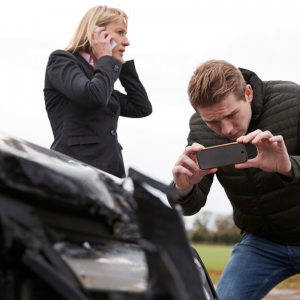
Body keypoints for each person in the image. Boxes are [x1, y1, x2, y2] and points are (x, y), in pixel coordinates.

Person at [168, 60, 300, 299]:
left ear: (247, 93)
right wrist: (183, 188)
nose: (226, 129)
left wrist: (290, 168)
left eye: (231, 115)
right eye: (213, 121)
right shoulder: (200, 128)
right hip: (261, 242)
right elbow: (191, 205)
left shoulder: (294, 100)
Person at [44, 6, 152, 178]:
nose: (127, 41)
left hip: (111, 174)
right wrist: (106, 59)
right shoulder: (61, 60)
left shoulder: (101, 77)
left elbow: (142, 107)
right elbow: (93, 97)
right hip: (74, 172)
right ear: (96, 33)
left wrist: (122, 68)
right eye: (120, 32)